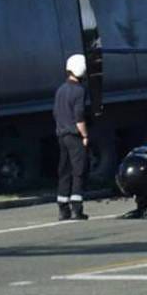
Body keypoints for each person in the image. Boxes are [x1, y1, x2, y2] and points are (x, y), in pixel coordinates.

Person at [53, 53, 90, 220]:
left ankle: (63, 208)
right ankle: (77, 208)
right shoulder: (79, 91)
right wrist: (85, 135)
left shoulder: (60, 90)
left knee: (64, 170)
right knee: (78, 171)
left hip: (61, 135)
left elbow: (56, 113)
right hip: (74, 136)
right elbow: (79, 116)